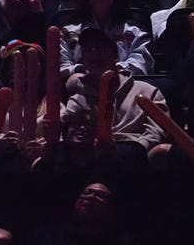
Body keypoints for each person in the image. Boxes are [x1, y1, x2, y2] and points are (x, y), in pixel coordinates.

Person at [61, 27, 167, 166]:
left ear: (115, 55)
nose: (93, 52)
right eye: (88, 49)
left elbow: (157, 130)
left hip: (133, 155)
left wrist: (134, 149)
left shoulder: (148, 91)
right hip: (90, 158)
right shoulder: (78, 96)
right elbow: (70, 132)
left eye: (100, 47)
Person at [59, 0, 154, 79]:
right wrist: (83, 70)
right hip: (80, 89)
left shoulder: (135, 32)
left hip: (122, 86)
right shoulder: (67, 33)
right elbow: (61, 68)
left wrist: (112, 70)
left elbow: (141, 64)